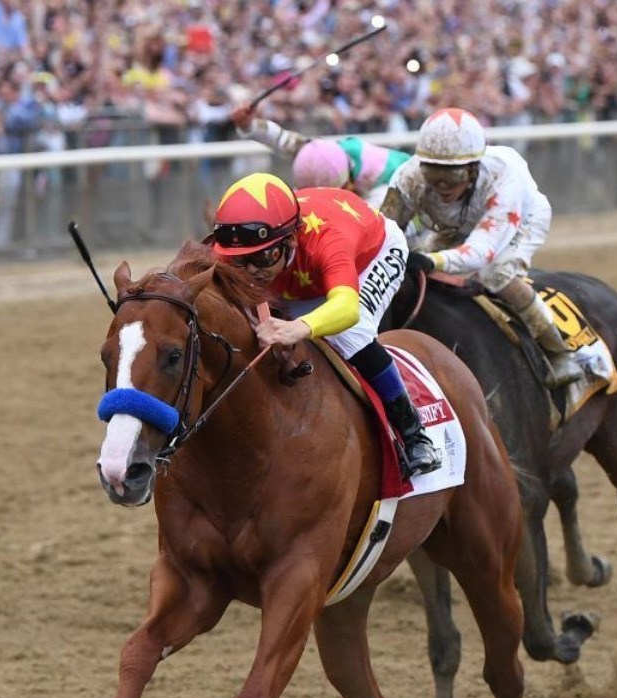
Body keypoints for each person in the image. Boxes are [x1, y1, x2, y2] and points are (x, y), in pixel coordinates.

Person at [207, 171, 441, 476]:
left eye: (264, 256)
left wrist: (299, 327)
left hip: (371, 257)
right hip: (297, 281)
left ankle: (413, 433)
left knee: (348, 333)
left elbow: (346, 309)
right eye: (240, 261)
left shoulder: (327, 239)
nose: (251, 271)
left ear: (290, 239)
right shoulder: (233, 251)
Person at [379, 107, 583, 388]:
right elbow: (382, 231)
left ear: (474, 168)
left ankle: (558, 352)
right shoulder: (408, 177)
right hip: (457, 226)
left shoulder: (503, 180)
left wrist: (430, 261)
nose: (441, 186)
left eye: (452, 177)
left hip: (522, 220)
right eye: (433, 174)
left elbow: (481, 252)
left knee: (494, 274)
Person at [228, 104, 412, 206]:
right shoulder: (323, 152)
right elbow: (280, 138)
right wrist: (248, 125)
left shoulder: (385, 188)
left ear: (347, 184)